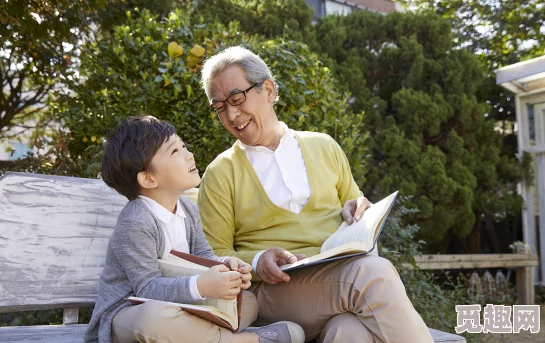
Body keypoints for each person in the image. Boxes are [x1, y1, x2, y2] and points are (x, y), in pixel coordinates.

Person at [198, 47, 434, 343]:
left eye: (236, 99)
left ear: (268, 90)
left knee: (349, 331)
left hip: (336, 281)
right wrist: (258, 261)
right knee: (371, 274)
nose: (231, 114)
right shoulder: (221, 173)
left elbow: (358, 213)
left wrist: (359, 209)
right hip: (275, 292)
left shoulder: (324, 146)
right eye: (219, 107)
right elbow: (212, 256)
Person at [84, 115, 305, 343]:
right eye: (174, 151)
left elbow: (203, 257)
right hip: (127, 315)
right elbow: (146, 289)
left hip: (183, 306)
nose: (188, 154)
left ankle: (206, 337)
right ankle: (248, 340)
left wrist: (226, 267)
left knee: (247, 302)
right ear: (148, 179)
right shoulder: (136, 222)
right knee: (153, 319)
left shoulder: (187, 210)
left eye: (183, 146)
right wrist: (200, 286)